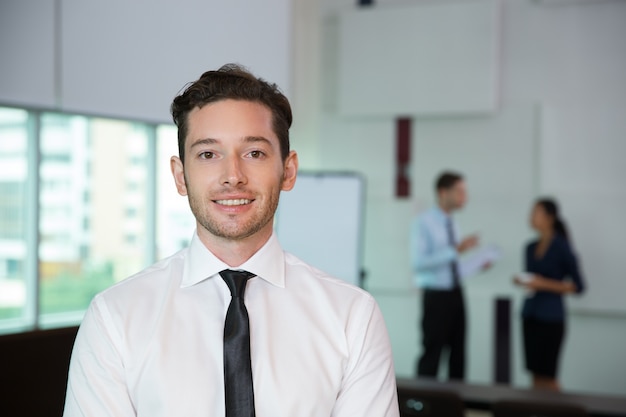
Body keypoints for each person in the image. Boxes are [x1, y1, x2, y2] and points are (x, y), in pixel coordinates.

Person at [63, 64, 399, 417]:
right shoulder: (115, 317)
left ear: (288, 170)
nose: (233, 176)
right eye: (208, 154)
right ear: (180, 176)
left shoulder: (351, 316)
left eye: (254, 153)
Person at [409, 171, 483, 381]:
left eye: (464, 192)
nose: (464, 197)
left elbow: (453, 267)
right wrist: (455, 250)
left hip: (456, 292)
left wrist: (477, 265)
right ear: (443, 192)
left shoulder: (453, 223)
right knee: (432, 353)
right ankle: (421, 405)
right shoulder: (423, 222)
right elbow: (418, 263)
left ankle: (456, 406)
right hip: (436, 296)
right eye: (459, 191)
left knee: (459, 354)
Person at [513, 198, 585, 391]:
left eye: (536, 212)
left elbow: (578, 286)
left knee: (549, 376)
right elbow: (533, 280)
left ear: (550, 217)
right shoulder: (529, 247)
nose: (531, 217)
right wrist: (524, 281)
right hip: (530, 314)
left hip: (551, 317)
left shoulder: (562, 247)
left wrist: (544, 284)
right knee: (535, 374)